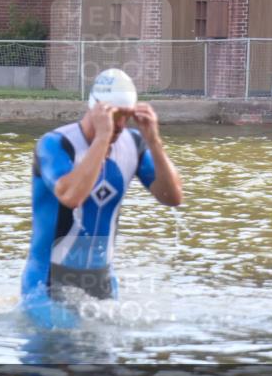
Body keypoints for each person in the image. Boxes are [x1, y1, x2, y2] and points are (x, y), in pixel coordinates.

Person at [21, 69, 182, 314]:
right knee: (71, 338)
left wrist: (154, 142)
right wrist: (102, 138)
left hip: (102, 282)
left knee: (106, 346)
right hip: (46, 283)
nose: (119, 124)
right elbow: (71, 196)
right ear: (95, 108)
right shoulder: (55, 144)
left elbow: (172, 198)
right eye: (114, 114)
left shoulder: (133, 144)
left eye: (126, 116)